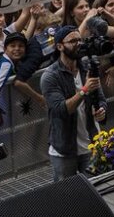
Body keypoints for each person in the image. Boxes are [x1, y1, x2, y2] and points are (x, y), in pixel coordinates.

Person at [40, 25, 106, 182]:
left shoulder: (87, 68)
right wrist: (84, 90)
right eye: (73, 41)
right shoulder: (50, 76)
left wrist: (102, 109)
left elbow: (101, 98)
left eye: (80, 40)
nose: (79, 44)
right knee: (66, 196)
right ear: (60, 46)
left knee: (98, 189)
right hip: (64, 150)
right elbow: (61, 109)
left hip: (90, 144)